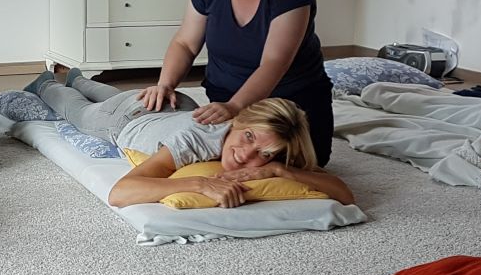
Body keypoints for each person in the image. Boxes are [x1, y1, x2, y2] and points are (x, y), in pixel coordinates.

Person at [136, 0, 334, 165]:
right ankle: (77, 85)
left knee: (302, 166)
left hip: (289, 103)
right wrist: (165, 84)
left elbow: (274, 62)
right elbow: (186, 43)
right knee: (218, 159)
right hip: (225, 92)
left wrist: (235, 107)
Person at [21, 69, 351, 209]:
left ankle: (79, 77)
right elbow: (120, 193)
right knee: (79, 111)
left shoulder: (276, 155)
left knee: (111, 94)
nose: (244, 155)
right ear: (237, 120)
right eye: (248, 136)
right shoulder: (197, 140)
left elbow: (344, 194)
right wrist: (199, 184)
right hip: (129, 118)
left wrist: (280, 170)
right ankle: (47, 83)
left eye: (263, 153)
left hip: (177, 106)